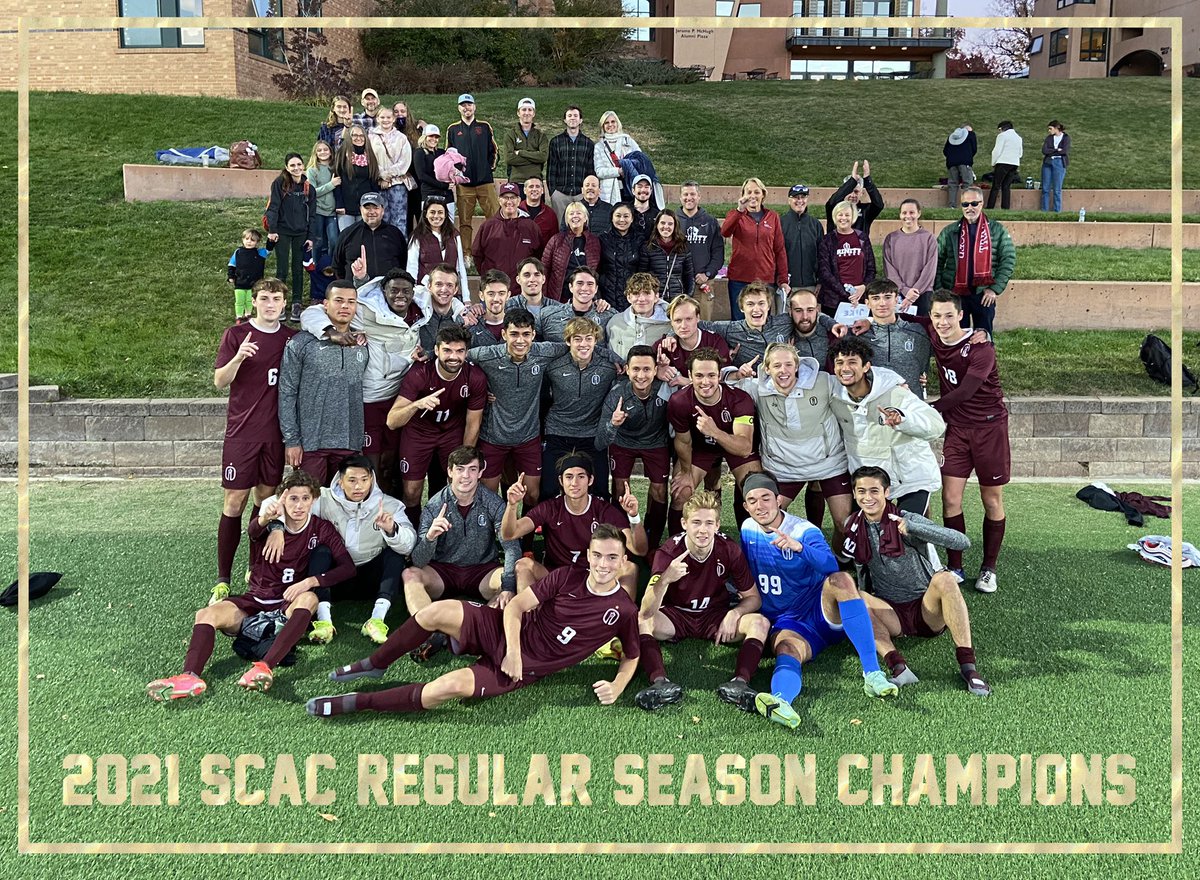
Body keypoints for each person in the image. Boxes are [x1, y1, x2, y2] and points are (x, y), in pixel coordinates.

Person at [306, 524, 641, 718]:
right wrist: (512, 650)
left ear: (624, 561)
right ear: (588, 556)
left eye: (613, 557)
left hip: (524, 669)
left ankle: (359, 702)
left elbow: (633, 654)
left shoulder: (623, 609)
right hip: (505, 633)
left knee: (446, 688)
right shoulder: (567, 576)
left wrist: (618, 685)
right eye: (597, 555)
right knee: (434, 612)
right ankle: (376, 663)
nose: (603, 563)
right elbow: (515, 608)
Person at [148, 470, 355, 701]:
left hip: (285, 605)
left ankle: (264, 668)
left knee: (309, 598)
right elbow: (254, 530)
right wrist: (269, 521)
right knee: (205, 614)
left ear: (314, 500)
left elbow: (348, 567)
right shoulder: (270, 522)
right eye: (293, 498)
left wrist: (310, 581)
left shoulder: (321, 528)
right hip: (254, 601)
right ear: (282, 499)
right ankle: (190, 676)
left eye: (305, 498)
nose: (299, 505)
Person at [739, 472, 898, 729]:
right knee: (787, 651)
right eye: (753, 500)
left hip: (820, 610)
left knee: (842, 580)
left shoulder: (802, 530)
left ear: (779, 499)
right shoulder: (747, 529)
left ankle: (872, 673)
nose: (760, 506)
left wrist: (799, 548)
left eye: (766, 498)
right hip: (788, 623)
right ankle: (781, 701)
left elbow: (830, 564)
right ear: (746, 506)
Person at [845, 466, 990, 696]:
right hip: (890, 612)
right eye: (861, 491)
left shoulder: (906, 519)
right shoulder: (852, 526)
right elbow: (862, 569)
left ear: (887, 492)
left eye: (874, 491)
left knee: (945, 579)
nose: (867, 497)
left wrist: (915, 529)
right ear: (854, 494)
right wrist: (866, 616)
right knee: (854, 595)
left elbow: (961, 542)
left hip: (925, 609)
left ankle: (968, 667)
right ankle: (897, 665)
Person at [901, 290, 1009, 594]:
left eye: (949, 315)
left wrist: (928, 407)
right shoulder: (933, 331)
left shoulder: (981, 347)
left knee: (991, 500)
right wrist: (871, 323)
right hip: (957, 430)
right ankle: (956, 565)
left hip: (989, 429)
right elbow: (905, 318)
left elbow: (966, 391)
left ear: (961, 315)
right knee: (950, 499)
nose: (943, 322)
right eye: (937, 316)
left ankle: (989, 568)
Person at [634, 490, 769, 713]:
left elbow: (754, 598)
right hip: (676, 615)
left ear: (717, 526)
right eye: (696, 522)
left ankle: (740, 683)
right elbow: (647, 610)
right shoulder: (669, 552)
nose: (702, 530)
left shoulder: (728, 549)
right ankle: (659, 683)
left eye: (709, 523)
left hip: (714, 616)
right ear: (684, 523)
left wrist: (734, 613)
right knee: (641, 621)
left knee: (760, 623)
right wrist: (666, 578)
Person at [257, 455, 415, 645]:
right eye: (352, 480)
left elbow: (409, 543)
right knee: (321, 550)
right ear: (340, 480)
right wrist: (277, 527)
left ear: (372, 479)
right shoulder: (323, 498)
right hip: (333, 579)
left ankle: (377, 619)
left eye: (364, 480)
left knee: (395, 554)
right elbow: (271, 504)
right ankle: (324, 621)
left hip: (370, 579)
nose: (359, 487)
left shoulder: (389, 505)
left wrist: (391, 529)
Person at [211, 278, 297, 604]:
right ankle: (222, 578)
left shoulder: (292, 339)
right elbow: (219, 381)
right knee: (234, 503)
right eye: (264, 298)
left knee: (264, 504)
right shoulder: (236, 335)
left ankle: (254, 569)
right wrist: (238, 359)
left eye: (276, 298)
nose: (270, 304)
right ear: (255, 302)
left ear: (284, 304)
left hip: (275, 436)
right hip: (242, 435)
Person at [299, 268, 423, 494]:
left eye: (406, 291)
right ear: (384, 291)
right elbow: (310, 313)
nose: (400, 295)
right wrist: (330, 331)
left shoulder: (423, 311)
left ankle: (392, 518)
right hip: (369, 402)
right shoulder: (366, 311)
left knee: (390, 467)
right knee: (370, 468)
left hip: (398, 402)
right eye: (393, 290)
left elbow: (449, 305)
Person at [729, 343, 852, 550]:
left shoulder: (823, 382)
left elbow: (856, 384)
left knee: (844, 523)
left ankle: (839, 560)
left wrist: (896, 386)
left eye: (788, 364)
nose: (783, 371)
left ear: (797, 366)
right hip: (783, 468)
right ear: (766, 369)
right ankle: (765, 562)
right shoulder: (757, 388)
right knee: (764, 520)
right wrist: (734, 374)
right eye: (776, 366)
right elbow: (719, 384)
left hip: (829, 464)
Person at [400, 445, 521, 633]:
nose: (466, 476)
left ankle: (475, 628)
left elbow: (511, 546)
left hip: (482, 571)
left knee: (512, 581)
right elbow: (418, 561)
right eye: (460, 469)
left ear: (481, 472)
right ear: (450, 471)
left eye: (472, 469)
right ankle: (427, 630)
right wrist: (430, 537)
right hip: (443, 571)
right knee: (410, 574)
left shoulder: (493, 502)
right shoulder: (435, 505)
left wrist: (507, 586)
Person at [827, 337, 945, 517]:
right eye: (839, 363)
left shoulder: (895, 393)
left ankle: (923, 542)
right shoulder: (835, 397)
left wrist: (904, 419)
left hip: (911, 478)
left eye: (852, 362)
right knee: (864, 535)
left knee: (908, 532)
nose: (845, 368)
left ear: (866, 366)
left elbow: (936, 425)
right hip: (871, 482)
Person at [468, 308, 569, 516]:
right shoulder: (488, 355)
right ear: (504, 334)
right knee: (488, 496)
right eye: (514, 334)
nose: (520, 340)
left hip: (528, 437)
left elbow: (576, 346)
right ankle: (492, 542)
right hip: (493, 437)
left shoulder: (543, 351)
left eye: (526, 334)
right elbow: (457, 355)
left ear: (533, 335)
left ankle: (527, 544)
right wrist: (479, 387)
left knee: (532, 494)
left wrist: (615, 359)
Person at [502, 453, 646, 598]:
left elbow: (639, 550)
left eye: (581, 476)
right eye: (569, 476)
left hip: (594, 575)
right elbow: (509, 534)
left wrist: (634, 516)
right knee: (523, 565)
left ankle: (620, 617)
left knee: (629, 568)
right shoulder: (551, 507)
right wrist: (512, 505)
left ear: (590, 480)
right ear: (561, 480)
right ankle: (531, 617)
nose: (574, 483)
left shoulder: (603, 510)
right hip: (556, 574)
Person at [388, 324, 487, 530]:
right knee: (412, 491)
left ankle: (445, 537)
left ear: (466, 352)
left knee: (452, 488)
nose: (454, 356)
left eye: (460, 351)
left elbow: (473, 422)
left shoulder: (474, 376)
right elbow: (392, 420)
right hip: (419, 432)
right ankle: (413, 535)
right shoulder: (420, 373)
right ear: (436, 350)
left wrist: (465, 458)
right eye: (448, 350)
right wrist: (417, 404)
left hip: (451, 432)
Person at [278, 281, 367, 485]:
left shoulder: (362, 345)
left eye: (351, 302)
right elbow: (287, 392)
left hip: (349, 441)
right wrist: (292, 440)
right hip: (311, 442)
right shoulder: (301, 343)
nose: (345, 306)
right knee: (311, 504)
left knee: (344, 509)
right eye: (339, 301)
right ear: (325, 304)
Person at [666, 347, 759, 534]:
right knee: (681, 492)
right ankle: (676, 544)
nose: (705, 382)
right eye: (699, 375)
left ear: (719, 376)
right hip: (701, 449)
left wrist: (715, 431)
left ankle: (749, 541)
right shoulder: (679, 401)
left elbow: (744, 447)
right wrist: (685, 472)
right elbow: (683, 442)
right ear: (690, 376)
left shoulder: (739, 399)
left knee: (755, 491)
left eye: (711, 375)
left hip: (734, 445)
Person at [596, 344, 673, 549]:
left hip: (656, 442)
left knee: (659, 489)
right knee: (621, 487)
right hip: (624, 442)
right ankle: (622, 537)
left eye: (647, 369)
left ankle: (652, 539)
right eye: (636, 369)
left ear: (656, 370)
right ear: (627, 370)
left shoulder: (664, 387)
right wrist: (612, 424)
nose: (641, 375)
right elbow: (600, 442)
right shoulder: (617, 394)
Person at [539, 316, 620, 496]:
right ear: (568, 341)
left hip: (591, 434)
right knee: (549, 488)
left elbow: (630, 374)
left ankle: (599, 524)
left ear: (595, 341)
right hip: (558, 431)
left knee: (599, 489)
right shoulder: (553, 367)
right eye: (578, 338)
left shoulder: (609, 368)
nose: (584, 344)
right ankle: (544, 525)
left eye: (588, 338)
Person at [935, 184, 1016, 334]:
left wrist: (994, 289)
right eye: (965, 204)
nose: (969, 208)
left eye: (974, 203)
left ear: (982, 204)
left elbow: (1008, 259)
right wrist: (942, 291)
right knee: (957, 338)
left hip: (984, 294)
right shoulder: (950, 231)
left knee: (983, 338)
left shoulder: (997, 230)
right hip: (955, 294)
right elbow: (936, 261)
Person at [720, 177, 788, 322]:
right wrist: (739, 210)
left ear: (763, 194)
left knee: (762, 320)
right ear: (742, 194)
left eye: (756, 192)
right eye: (748, 192)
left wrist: (783, 280)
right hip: (739, 278)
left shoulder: (773, 217)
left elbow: (779, 249)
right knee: (739, 321)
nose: (752, 196)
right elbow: (725, 232)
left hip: (765, 278)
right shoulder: (736, 215)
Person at [687, 281, 793, 369]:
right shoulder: (731, 329)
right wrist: (672, 336)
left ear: (768, 306)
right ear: (742, 308)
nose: (756, 309)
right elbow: (694, 324)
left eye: (761, 303)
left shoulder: (784, 322)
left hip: (781, 380)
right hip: (750, 381)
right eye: (750, 304)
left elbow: (806, 318)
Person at [853, 279, 933, 396]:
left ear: (896, 300)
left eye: (887, 297)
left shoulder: (919, 332)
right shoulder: (857, 336)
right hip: (873, 405)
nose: (882, 303)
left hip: (911, 405)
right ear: (867, 303)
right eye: (875, 298)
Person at [264, 153, 319, 321]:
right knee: (282, 269)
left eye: (299, 165)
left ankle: (296, 302)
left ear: (303, 166)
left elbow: (313, 215)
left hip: (301, 233)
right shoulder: (279, 184)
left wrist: (310, 237)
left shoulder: (309, 188)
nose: (296, 168)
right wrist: (272, 230)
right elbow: (273, 207)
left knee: (297, 268)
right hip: (282, 231)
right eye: (292, 165)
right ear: (287, 168)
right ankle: (279, 303)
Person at [446, 94, 499, 263]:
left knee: (494, 218)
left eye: (469, 105)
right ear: (458, 108)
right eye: (463, 105)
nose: (466, 108)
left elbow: (494, 150)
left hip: (485, 182)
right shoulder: (453, 129)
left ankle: (493, 250)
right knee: (465, 221)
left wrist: (487, 169)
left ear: (474, 107)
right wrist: (456, 174)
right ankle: (467, 255)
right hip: (464, 184)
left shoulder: (484, 127)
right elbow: (449, 154)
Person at [473, 182, 542, 292]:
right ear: (499, 200)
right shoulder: (488, 226)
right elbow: (477, 255)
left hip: (522, 292)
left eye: (513, 197)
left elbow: (538, 256)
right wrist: (488, 276)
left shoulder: (531, 227)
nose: (509, 201)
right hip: (494, 290)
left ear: (519, 200)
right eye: (505, 197)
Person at [653, 294, 730, 388]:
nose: (683, 325)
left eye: (688, 319)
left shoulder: (714, 342)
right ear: (671, 322)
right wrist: (657, 371)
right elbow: (641, 365)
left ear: (698, 318)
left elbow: (725, 379)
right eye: (678, 320)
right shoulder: (664, 345)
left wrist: (688, 382)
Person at [594, 110, 665, 208]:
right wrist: (618, 171)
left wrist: (628, 166)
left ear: (617, 123)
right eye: (606, 123)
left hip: (631, 185)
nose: (610, 125)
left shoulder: (628, 140)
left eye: (613, 121)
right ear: (603, 126)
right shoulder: (599, 146)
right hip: (611, 190)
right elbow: (599, 171)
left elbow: (641, 160)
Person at [331, 192, 408, 284]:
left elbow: (404, 263)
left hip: (388, 291)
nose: (371, 212)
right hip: (357, 292)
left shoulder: (395, 234)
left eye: (375, 207)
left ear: (382, 210)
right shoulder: (347, 234)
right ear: (360, 209)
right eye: (367, 208)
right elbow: (337, 266)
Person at [817, 200, 875, 318]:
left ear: (853, 217)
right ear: (835, 216)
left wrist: (863, 287)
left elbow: (871, 268)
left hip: (860, 297)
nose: (843, 218)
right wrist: (846, 293)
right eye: (840, 214)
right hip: (833, 300)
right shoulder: (827, 240)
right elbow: (824, 272)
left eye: (847, 215)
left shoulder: (862, 238)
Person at [882, 199, 938, 316]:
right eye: (904, 213)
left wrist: (914, 292)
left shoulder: (928, 238)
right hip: (898, 294)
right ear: (900, 215)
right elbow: (889, 269)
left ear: (919, 213)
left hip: (922, 294)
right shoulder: (891, 238)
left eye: (912, 212)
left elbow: (930, 270)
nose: (908, 216)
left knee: (923, 332)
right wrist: (904, 290)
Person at [677, 181, 724, 319]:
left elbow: (718, 253)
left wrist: (708, 273)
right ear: (680, 197)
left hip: (703, 282)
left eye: (693, 194)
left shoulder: (710, 221)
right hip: (679, 282)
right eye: (685, 194)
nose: (689, 198)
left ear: (699, 197)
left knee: (703, 322)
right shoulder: (672, 220)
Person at [535, 266, 614, 343]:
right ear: (571, 287)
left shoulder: (609, 316)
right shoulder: (547, 315)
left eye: (590, 284)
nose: (584, 288)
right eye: (579, 283)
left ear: (596, 289)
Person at [406, 196, 469, 293]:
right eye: (432, 212)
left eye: (440, 212)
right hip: (425, 293)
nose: (436, 216)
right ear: (425, 214)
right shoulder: (417, 236)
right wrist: (413, 292)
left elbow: (460, 268)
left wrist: (466, 297)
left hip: (449, 293)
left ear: (445, 214)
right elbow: (412, 268)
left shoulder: (454, 235)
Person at [541, 201, 601, 300]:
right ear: (567, 219)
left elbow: (598, 271)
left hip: (585, 297)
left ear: (585, 218)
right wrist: (543, 297)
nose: (575, 216)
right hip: (559, 298)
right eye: (571, 213)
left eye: (578, 213)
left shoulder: (594, 242)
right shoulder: (556, 240)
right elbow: (544, 269)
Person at [605, 272, 671, 360]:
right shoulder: (615, 323)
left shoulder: (670, 325)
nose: (641, 299)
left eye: (647, 293)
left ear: (656, 297)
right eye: (636, 293)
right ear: (628, 297)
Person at [547, 106, 595, 223]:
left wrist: (587, 191)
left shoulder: (588, 143)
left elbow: (591, 170)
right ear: (565, 120)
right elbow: (551, 169)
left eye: (575, 116)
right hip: (560, 193)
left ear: (580, 120)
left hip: (581, 193)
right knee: (561, 227)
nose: (572, 118)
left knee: (582, 226)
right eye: (569, 116)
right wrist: (553, 192)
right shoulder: (556, 142)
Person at [369, 106, 413, 234]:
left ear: (393, 119)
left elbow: (405, 161)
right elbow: (371, 159)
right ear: (377, 119)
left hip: (398, 184)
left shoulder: (401, 138)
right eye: (382, 117)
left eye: (388, 117)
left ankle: (399, 250)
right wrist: (381, 176)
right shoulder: (371, 137)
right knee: (383, 219)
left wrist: (388, 175)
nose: (385, 120)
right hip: (379, 184)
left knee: (399, 220)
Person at [637, 209, 694, 301]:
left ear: (675, 226)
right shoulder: (648, 247)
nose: (666, 227)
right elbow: (642, 275)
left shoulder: (683, 247)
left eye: (670, 224)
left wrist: (687, 297)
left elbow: (689, 276)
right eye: (662, 223)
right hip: (655, 299)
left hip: (677, 298)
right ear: (657, 225)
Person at [333, 124, 380, 234]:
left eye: (361, 135)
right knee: (347, 237)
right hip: (346, 206)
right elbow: (337, 181)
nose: (358, 138)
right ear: (349, 137)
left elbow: (373, 181)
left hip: (365, 206)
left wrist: (375, 203)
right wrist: (339, 204)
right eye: (354, 135)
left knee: (364, 237)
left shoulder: (370, 156)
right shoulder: (342, 155)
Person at [825, 160, 885, 240]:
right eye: (849, 191)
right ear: (844, 191)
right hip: (836, 250)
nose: (853, 195)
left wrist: (867, 180)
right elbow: (831, 203)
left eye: (856, 192)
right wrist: (852, 182)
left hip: (859, 250)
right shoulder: (836, 208)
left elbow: (879, 205)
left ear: (861, 193)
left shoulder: (866, 210)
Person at [225, 228, 275, 323]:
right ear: (243, 240)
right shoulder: (238, 252)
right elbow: (231, 265)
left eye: (252, 240)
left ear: (257, 242)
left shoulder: (260, 253)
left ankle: (248, 314)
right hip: (240, 282)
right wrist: (231, 276)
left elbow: (269, 249)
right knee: (239, 301)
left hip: (254, 283)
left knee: (249, 300)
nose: (249, 242)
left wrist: (271, 240)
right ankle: (239, 316)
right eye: (247, 239)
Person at [781, 182, 823, 296]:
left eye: (803, 197)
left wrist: (820, 281)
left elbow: (821, 255)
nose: (800, 201)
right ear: (789, 200)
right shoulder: (780, 223)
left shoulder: (815, 224)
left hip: (810, 284)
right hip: (787, 285)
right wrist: (781, 280)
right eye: (795, 197)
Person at [598, 202, 641, 310]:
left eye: (626, 216)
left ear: (632, 218)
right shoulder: (602, 239)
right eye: (618, 216)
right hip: (606, 298)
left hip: (633, 297)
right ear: (612, 218)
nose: (622, 220)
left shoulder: (640, 240)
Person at [504, 97, 548, 198]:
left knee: (536, 213)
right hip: (516, 183)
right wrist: (534, 157)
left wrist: (521, 153)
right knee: (516, 213)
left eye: (530, 110)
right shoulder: (510, 135)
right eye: (524, 109)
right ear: (518, 113)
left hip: (535, 183)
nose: (526, 113)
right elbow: (509, 158)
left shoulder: (541, 136)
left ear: (534, 113)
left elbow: (543, 157)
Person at [305, 140, 341, 261]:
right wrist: (331, 184)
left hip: (332, 211)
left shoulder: (336, 168)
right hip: (318, 210)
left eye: (325, 149)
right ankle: (316, 265)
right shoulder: (312, 170)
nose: (323, 152)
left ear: (330, 152)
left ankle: (331, 265)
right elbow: (312, 192)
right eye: (319, 150)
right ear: (315, 153)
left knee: (334, 240)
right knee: (318, 241)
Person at [461, 269, 513, 347]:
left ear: (508, 295)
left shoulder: (516, 324)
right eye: (491, 294)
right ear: (481, 295)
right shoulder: (471, 326)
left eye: (501, 293)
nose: (496, 299)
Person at [412, 124, 453, 219]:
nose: (434, 139)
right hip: (429, 195)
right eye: (431, 136)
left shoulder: (442, 152)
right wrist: (443, 185)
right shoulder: (419, 153)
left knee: (448, 226)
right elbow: (421, 175)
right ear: (424, 137)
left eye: (436, 137)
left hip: (447, 196)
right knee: (430, 227)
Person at [986, 120, 1023, 211]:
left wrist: (993, 163)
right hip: (1014, 163)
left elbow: (997, 151)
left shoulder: (1002, 136)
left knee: (996, 185)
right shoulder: (1018, 138)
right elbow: (1020, 153)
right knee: (1006, 186)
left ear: (1003, 128)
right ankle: (1005, 207)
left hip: (1003, 162)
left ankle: (990, 206)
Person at [518, 177, 558, 251]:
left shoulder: (550, 214)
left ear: (542, 190)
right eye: (531, 186)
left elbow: (554, 240)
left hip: (542, 257)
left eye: (537, 186)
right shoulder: (516, 212)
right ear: (524, 190)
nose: (534, 189)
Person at [943, 124, 977, 209]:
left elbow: (945, 150)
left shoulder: (952, 136)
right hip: (965, 163)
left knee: (953, 184)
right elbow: (974, 148)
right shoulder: (971, 135)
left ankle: (952, 206)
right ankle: (967, 204)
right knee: (967, 183)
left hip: (951, 163)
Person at [1040, 120, 1071, 213]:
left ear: (1056, 128)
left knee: (1057, 189)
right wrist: (1056, 149)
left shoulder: (1066, 138)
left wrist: (1052, 150)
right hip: (1048, 162)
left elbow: (1064, 151)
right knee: (1045, 188)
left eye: (1050, 128)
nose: (1049, 131)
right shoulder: (1049, 138)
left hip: (1059, 162)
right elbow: (1044, 150)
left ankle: (1057, 211)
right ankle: (1044, 211)